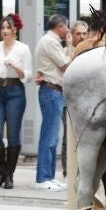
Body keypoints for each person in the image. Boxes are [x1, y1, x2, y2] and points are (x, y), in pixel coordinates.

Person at [0, 13, 31, 190]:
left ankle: (9, 175)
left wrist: (16, 67)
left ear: (15, 30)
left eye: (8, 28)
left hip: (15, 91)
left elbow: (28, 75)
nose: (4, 31)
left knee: (13, 135)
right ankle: (1, 171)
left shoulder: (23, 48)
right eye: (2, 27)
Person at [34, 15, 71, 191]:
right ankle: (43, 177)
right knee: (49, 135)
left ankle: (48, 176)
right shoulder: (50, 41)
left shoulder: (51, 41)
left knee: (53, 135)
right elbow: (65, 65)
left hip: (53, 90)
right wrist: (70, 46)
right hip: (51, 90)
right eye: (67, 27)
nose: (68, 30)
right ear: (60, 26)